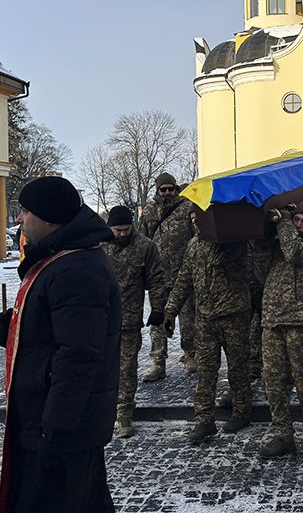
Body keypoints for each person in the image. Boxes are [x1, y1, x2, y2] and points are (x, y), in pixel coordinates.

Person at [0, 176, 124, 513]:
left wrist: (56, 429)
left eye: (26, 211)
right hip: (50, 421)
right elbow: (56, 331)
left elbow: (78, 355)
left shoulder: (76, 268)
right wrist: (16, 326)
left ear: (49, 218)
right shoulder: (59, 261)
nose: (19, 219)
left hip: (59, 426)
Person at [165, 210, 253, 444]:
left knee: (238, 367)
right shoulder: (193, 246)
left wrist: (217, 237)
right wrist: (170, 310)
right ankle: (204, 420)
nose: (194, 220)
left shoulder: (234, 242)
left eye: (199, 217)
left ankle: (242, 410)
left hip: (233, 315)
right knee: (205, 372)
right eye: (193, 217)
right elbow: (184, 279)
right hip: (205, 319)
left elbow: (224, 262)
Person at [254, 198, 303, 457]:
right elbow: (261, 273)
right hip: (273, 319)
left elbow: (295, 252)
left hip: (300, 320)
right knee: (273, 381)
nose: (297, 224)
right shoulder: (281, 242)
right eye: (295, 219)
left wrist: (284, 221)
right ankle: (283, 434)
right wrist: (263, 243)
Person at [102, 205, 168, 439]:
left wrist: (158, 308)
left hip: (129, 320)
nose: (121, 234)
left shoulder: (145, 247)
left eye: (125, 229)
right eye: (117, 230)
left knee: (126, 369)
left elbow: (157, 279)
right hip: (100, 321)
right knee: (101, 369)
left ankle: (124, 414)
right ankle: (101, 411)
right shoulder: (99, 245)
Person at [139, 173, 196, 381]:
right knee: (158, 319)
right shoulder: (149, 211)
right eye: (163, 189)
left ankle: (191, 354)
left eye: (171, 189)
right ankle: (157, 362)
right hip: (159, 276)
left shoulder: (186, 207)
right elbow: (142, 241)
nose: (167, 193)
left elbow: (196, 233)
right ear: (157, 190)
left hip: (184, 273)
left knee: (189, 317)